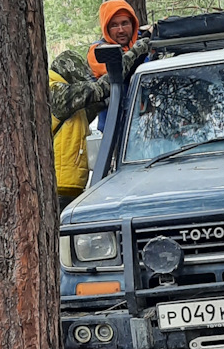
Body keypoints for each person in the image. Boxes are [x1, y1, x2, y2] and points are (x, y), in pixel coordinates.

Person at [49, 28, 149, 212]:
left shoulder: (70, 102)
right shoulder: (57, 94)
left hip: (69, 187)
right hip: (57, 188)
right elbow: (103, 87)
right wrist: (135, 51)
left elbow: (99, 101)